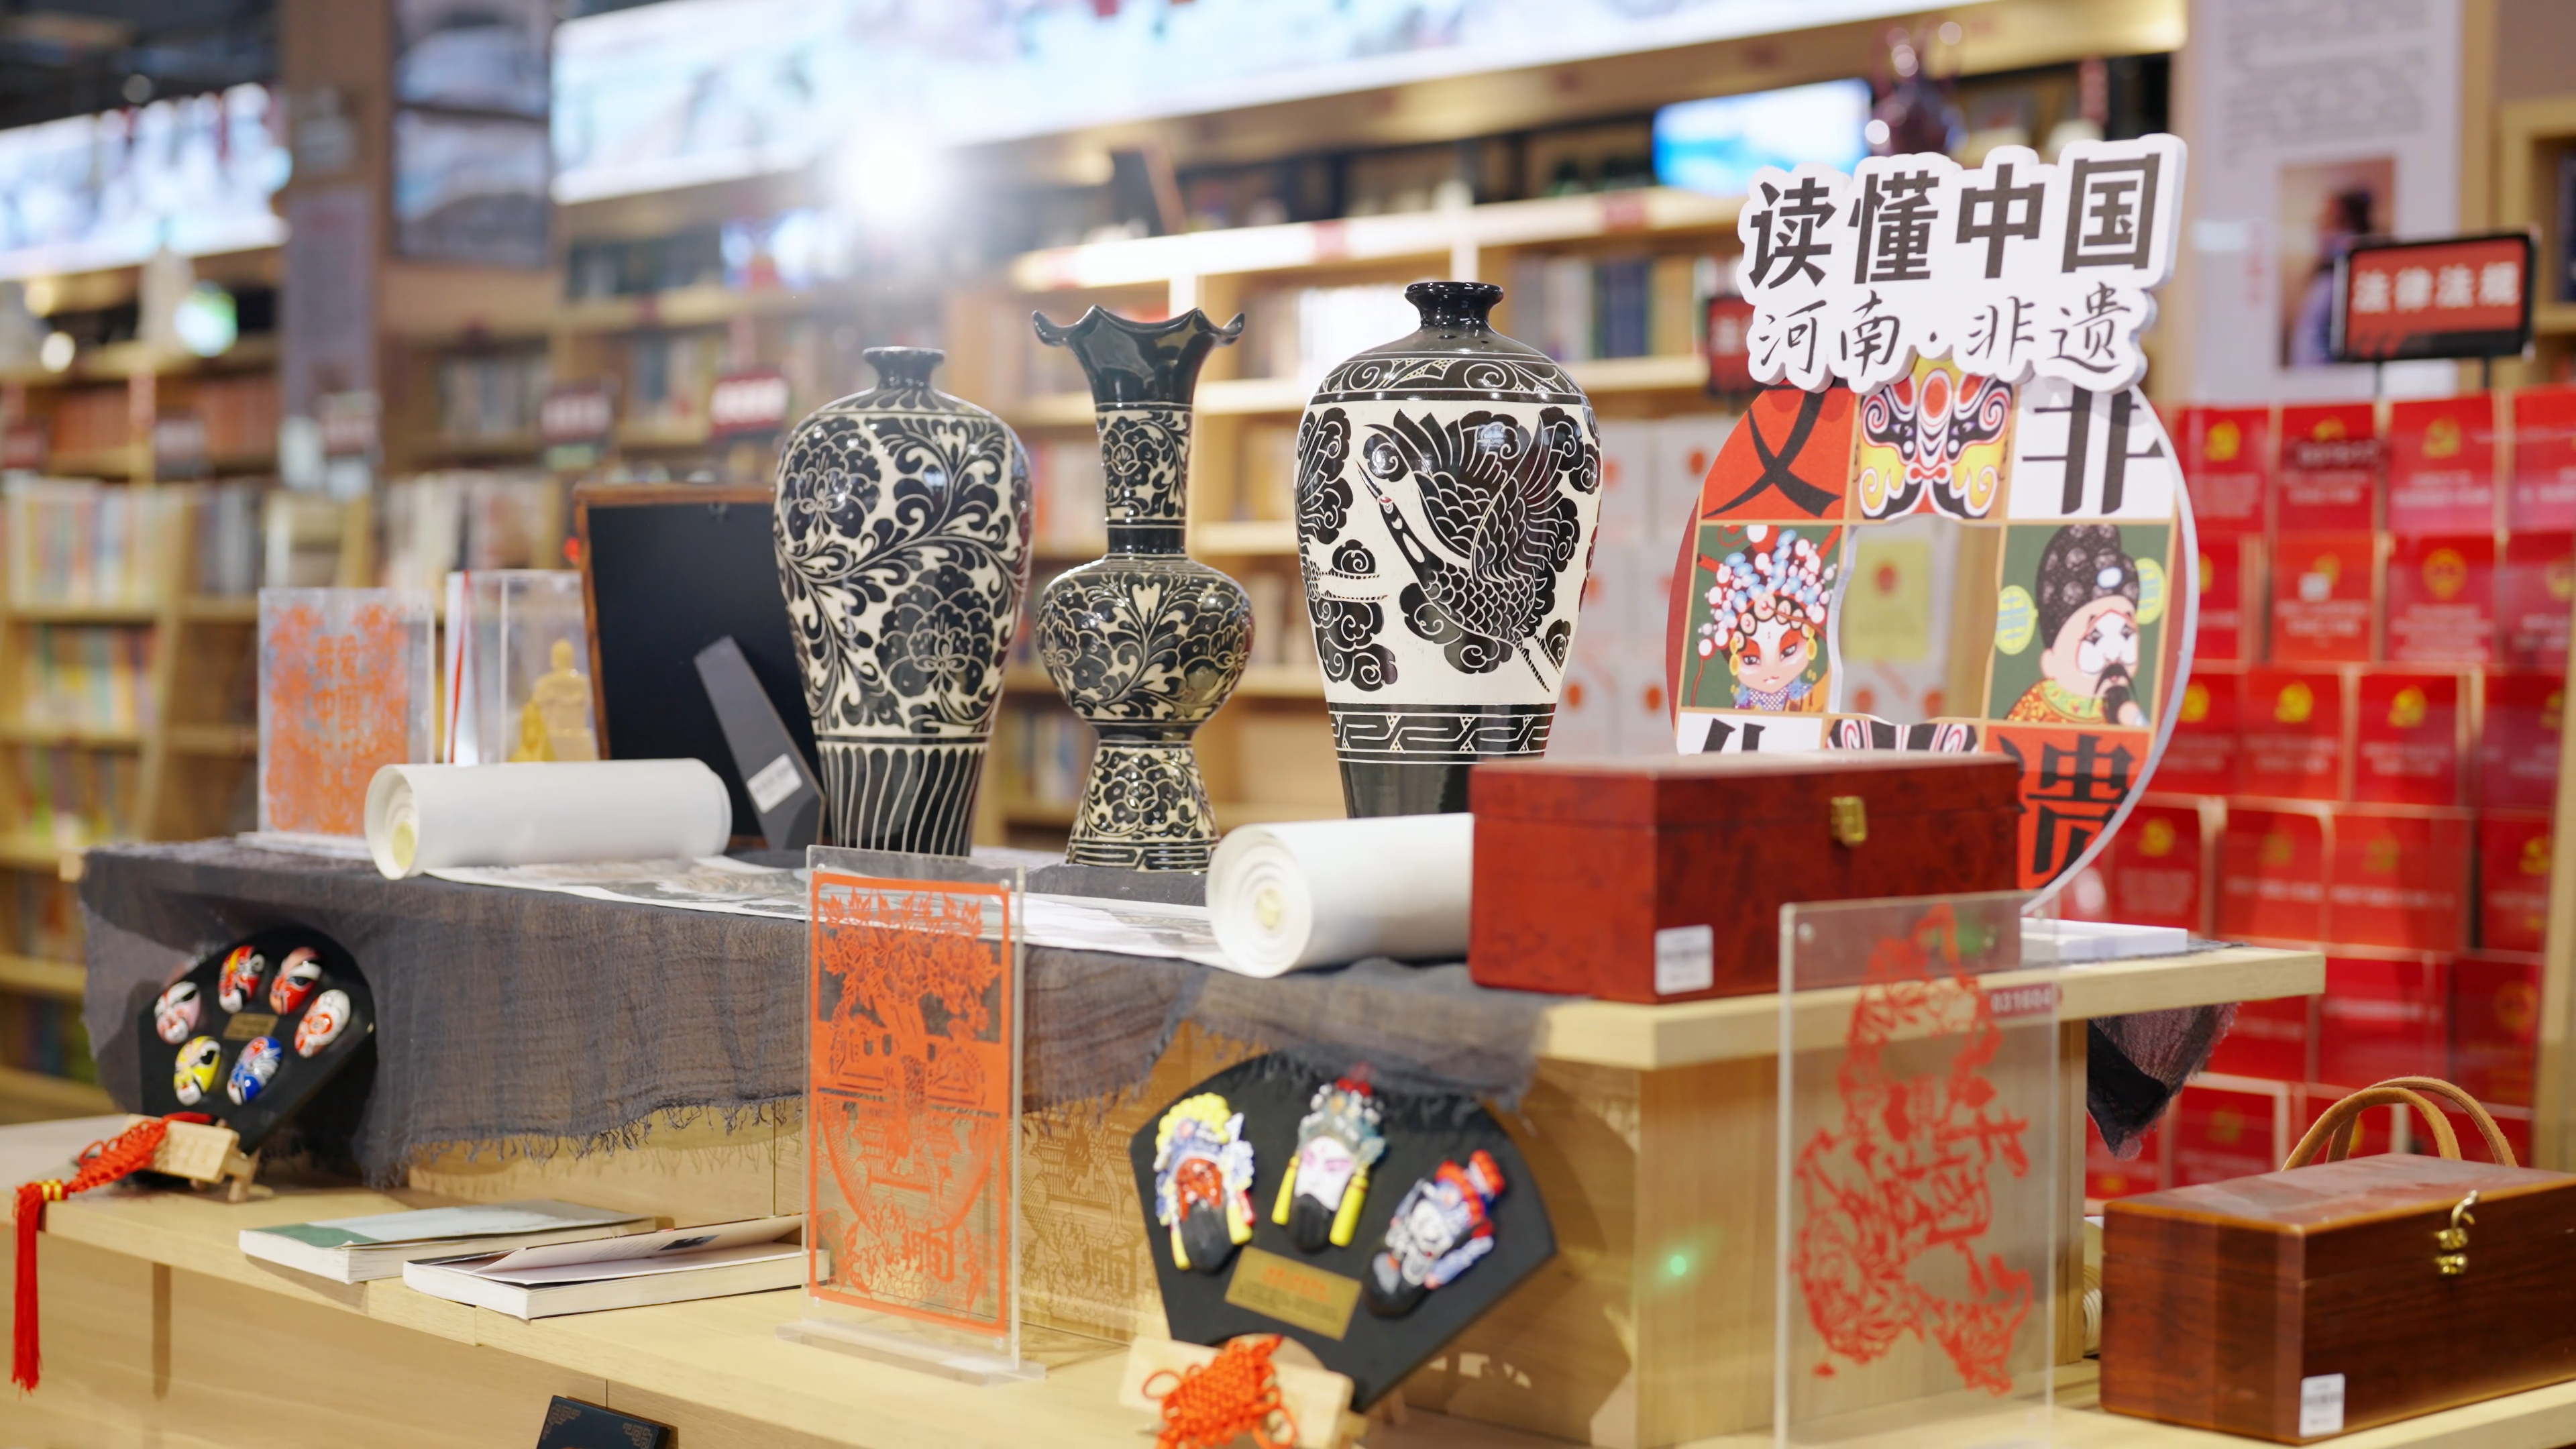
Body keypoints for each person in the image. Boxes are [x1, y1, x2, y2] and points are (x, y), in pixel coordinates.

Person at [2007, 523, 2147, 726]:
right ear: (2050, 662)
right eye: (2094, 638)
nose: (2113, 654)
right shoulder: (2036, 704)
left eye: (2125, 634)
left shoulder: (2124, 712)